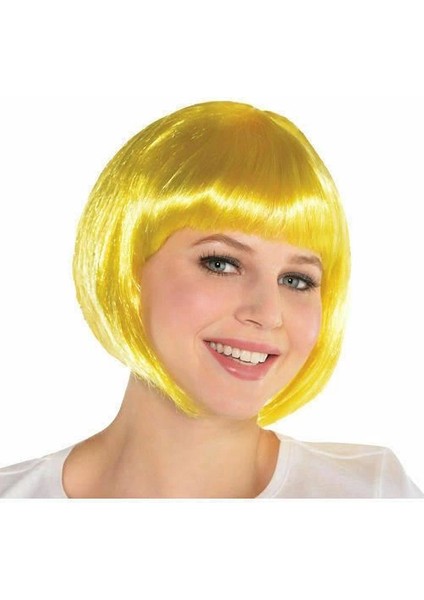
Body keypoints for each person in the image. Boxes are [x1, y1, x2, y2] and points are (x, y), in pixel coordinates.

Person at [0, 100, 422, 498]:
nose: (268, 313)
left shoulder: (373, 493)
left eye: (296, 280)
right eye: (221, 263)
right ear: (127, 267)